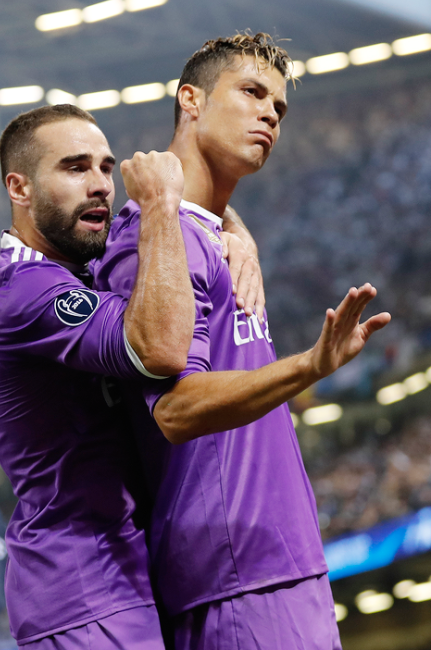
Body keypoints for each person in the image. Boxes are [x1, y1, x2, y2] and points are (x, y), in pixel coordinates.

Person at [94, 33, 391, 650]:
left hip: (285, 567)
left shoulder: (215, 236)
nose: (269, 115)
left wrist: (232, 225)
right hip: (231, 582)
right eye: (252, 92)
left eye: (279, 107)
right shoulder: (152, 241)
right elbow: (175, 408)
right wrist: (309, 365)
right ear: (190, 100)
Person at [0, 103, 198, 649]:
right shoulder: (19, 291)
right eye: (74, 168)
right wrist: (162, 205)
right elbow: (162, 349)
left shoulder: (78, 267)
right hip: (82, 592)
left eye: (105, 168)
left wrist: (235, 232)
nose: (100, 185)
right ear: (19, 188)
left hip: (126, 575)